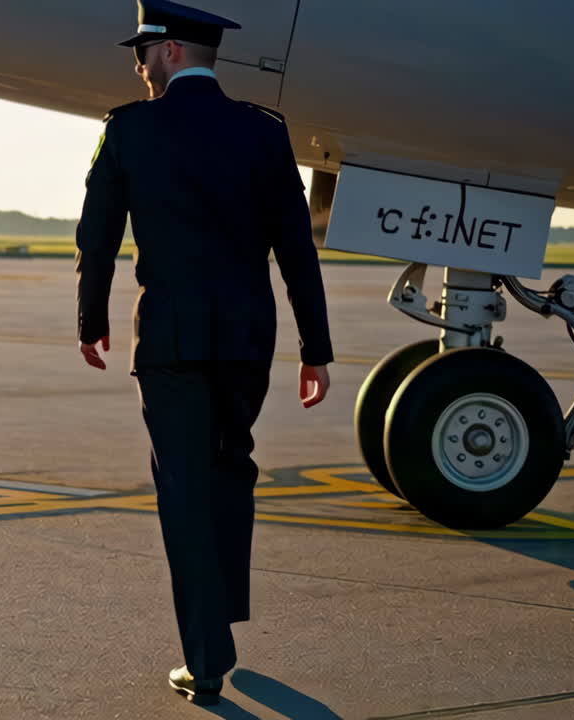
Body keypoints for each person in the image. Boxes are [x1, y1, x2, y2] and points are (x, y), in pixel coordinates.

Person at [75, 0, 334, 706]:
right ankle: (218, 621)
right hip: (249, 338)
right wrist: (317, 347)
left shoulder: (130, 128)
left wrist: (89, 318)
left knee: (184, 489)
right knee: (230, 472)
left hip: (169, 339)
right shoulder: (263, 131)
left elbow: (95, 233)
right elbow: (296, 250)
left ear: (173, 53)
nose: (137, 63)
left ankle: (207, 656)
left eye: (144, 49)